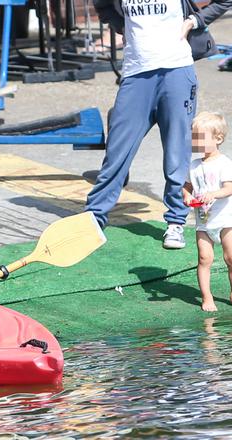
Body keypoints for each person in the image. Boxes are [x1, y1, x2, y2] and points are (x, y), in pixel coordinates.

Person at [87, 0, 232, 249]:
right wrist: (123, 26)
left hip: (177, 71)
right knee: (116, 153)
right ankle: (93, 218)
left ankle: (175, 222)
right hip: (136, 74)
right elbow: (102, 5)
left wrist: (193, 21)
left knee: (177, 153)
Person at [182, 112, 232, 311]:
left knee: (231, 258)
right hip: (203, 221)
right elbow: (186, 187)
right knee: (204, 258)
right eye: (194, 137)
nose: (196, 141)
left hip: (226, 219)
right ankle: (206, 296)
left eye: (200, 137)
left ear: (218, 138)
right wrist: (186, 196)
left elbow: (229, 188)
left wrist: (213, 194)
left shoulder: (224, 163)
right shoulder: (194, 166)